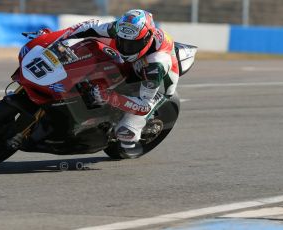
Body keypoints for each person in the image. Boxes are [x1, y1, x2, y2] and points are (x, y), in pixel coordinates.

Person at [41, 9, 180, 149]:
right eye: (122, 41)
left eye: (131, 45)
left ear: (146, 39)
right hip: (136, 61)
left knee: (126, 132)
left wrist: (110, 97)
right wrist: (54, 39)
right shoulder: (119, 28)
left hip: (157, 85)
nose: (125, 48)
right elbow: (88, 26)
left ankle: (133, 128)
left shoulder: (156, 65)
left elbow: (143, 106)